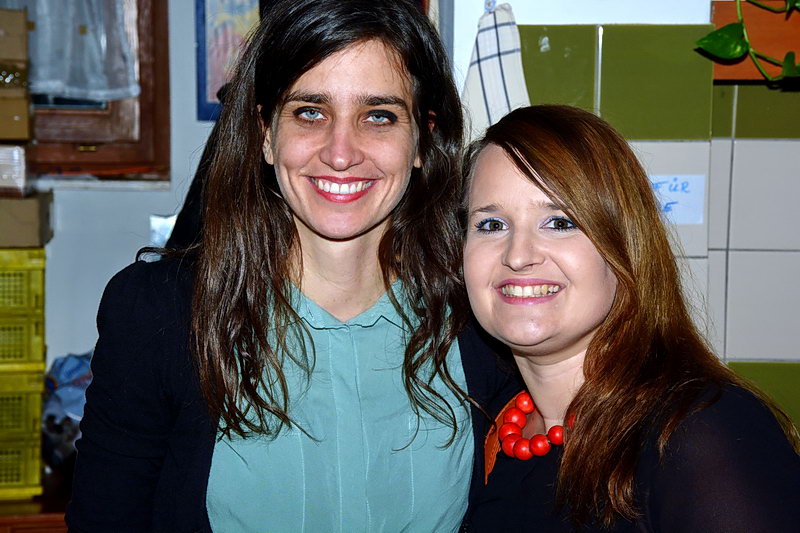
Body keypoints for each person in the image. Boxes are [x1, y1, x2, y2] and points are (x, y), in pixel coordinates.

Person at [66, 1, 519, 531]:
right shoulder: (158, 314)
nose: (341, 153)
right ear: (265, 132)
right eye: (310, 112)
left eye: (379, 116)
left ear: (421, 137)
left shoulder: (485, 318)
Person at [460, 105, 800, 532]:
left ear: (625, 248)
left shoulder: (700, 432)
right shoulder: (489, 428)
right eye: (491, 224)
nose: (518, 255)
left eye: (560, 222)